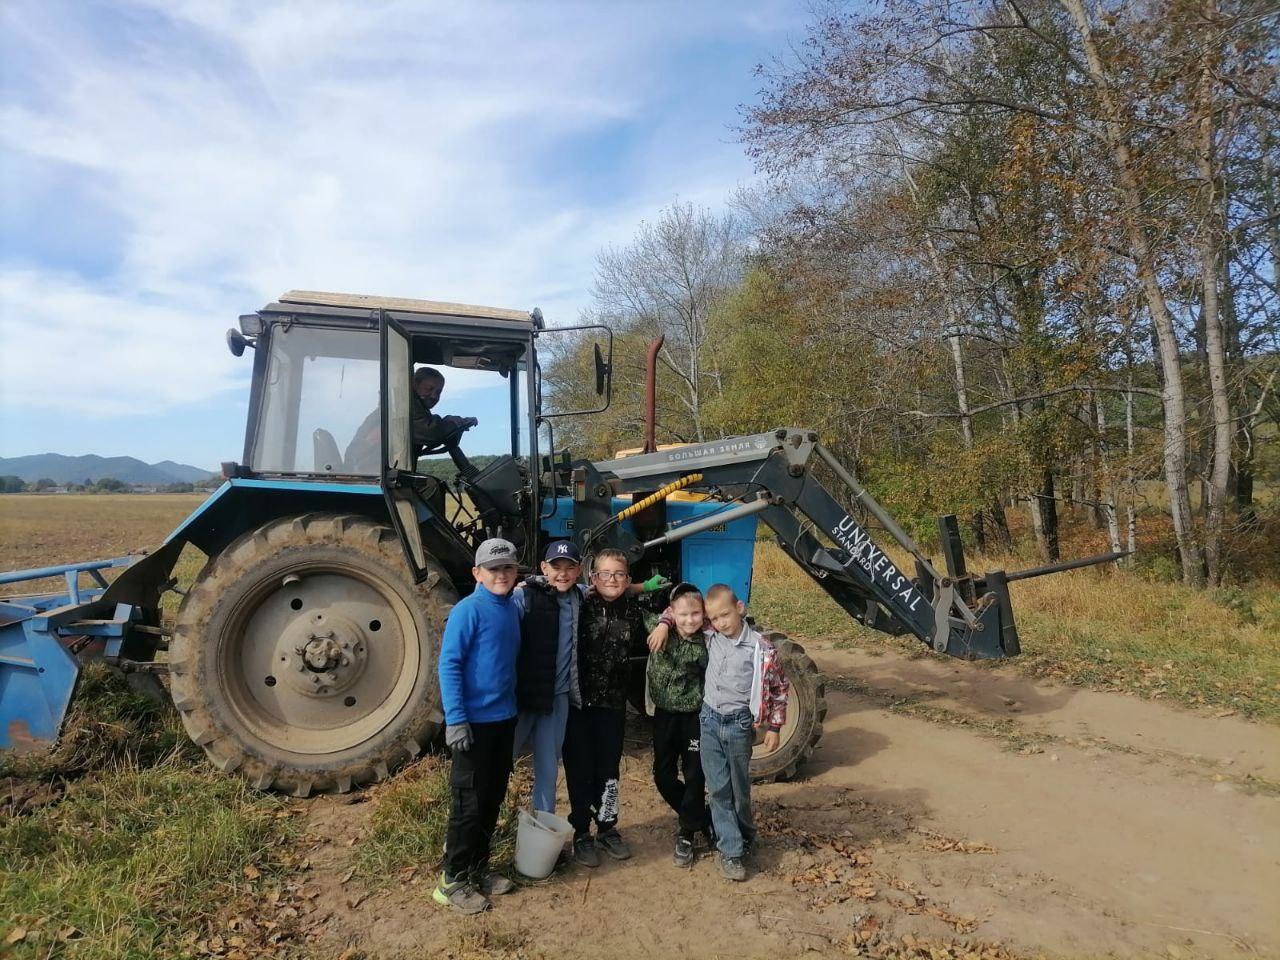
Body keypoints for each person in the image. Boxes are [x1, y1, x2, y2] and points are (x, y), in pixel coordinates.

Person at [648, 582, 788, 882]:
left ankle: (744, 833)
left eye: (725, 615)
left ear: (740, 609)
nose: (721, 622)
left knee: (739, 790)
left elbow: (779, 688)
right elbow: (682, 614)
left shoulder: (760, 649)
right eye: (716, 618)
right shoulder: (710, 635)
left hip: (738, 725)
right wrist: (663, 622)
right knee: (719, 789)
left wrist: (774, 726)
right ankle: (731, 850)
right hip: (709, 720)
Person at [433, 538, 522, 914]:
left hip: (503, 720)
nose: (500, 575)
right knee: (468, 804)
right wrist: (456, 719)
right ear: (477, 573)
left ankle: (478, 868)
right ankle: (451, 880)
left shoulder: (511, 608)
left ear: (516, 572)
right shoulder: (468, 610)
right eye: (493, 569)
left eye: (507, 568)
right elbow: (449, 665)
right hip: (473, 725)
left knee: (491, 799)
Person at [561, 549, 663, 868]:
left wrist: (664, 623)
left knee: (608, 768)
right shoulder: (581, 604)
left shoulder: (634, 609)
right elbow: (557, 588)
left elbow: (674, 609)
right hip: (578, 704)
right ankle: (581, 832)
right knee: (579, 769)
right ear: (593, 578)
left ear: (628, 579)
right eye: (604, 574)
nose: (612, 580)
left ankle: (607, 828)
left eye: (619, 575)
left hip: (613, 705)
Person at [509, 539, 585, 816]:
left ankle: (541, 828)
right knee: (501, 760)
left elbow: (608, 588)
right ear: (544, 567)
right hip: (525, 696)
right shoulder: (525, 596)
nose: (562, 573)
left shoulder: (579, 596)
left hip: (557, 699)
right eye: (556, 567)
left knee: (548, 767)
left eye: (569, 567)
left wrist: (643, 588)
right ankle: (484, 825)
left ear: (579, 570)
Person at [644, 581, 711, 867]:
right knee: (663, 776)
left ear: (703, 614)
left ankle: (686, 833)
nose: (689, 620)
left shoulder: (708, 641)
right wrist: (663, 622)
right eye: (682, 615)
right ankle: (703, 818)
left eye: (695, 614)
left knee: (695, 775)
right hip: (663, 715)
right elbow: (643, 608)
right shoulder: (659, 628)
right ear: (673, 612)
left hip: (694, 717)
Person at [342, 366, 477, 471]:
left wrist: (449, 422)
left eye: (438, 392)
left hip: (381, 472)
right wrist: (456, 423)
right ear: (414, 385)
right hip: (371, 473)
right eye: (429, 389)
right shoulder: (404, 405)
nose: (434, 396)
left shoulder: (405, 405)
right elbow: (430, 432)